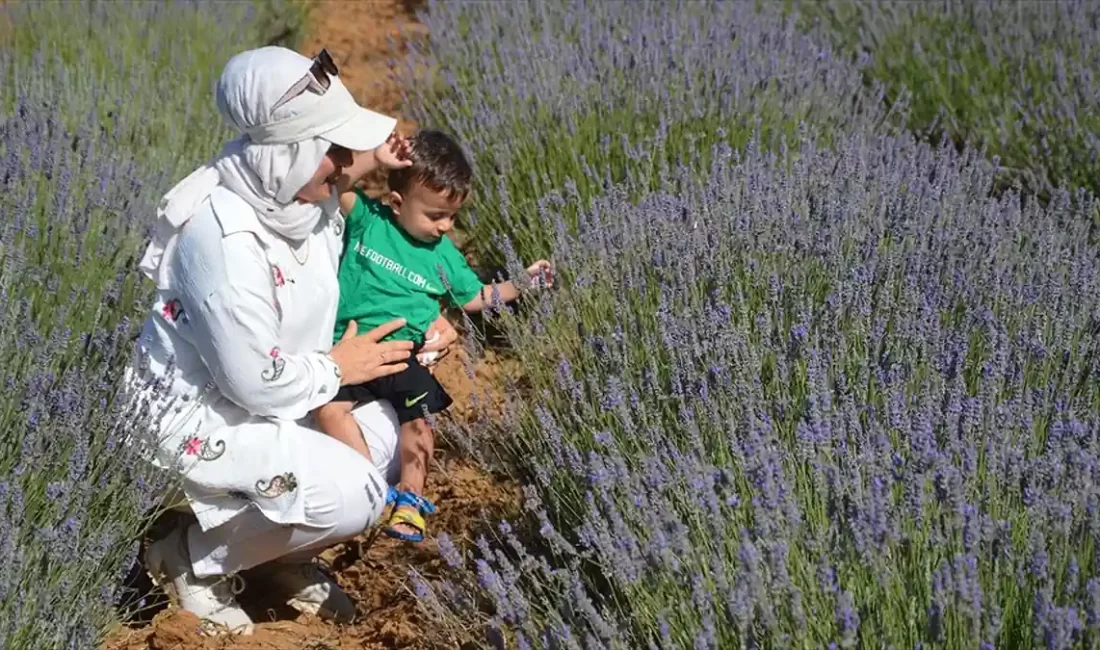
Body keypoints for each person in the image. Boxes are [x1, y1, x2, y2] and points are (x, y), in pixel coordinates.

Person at [122, 46, 457, 636]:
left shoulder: (292, 197)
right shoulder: (223, 239)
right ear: (289, 154)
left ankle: (276, 559)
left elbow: (334, 178)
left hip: (275, 396)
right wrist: (337, 365)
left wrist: (430, 318)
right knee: (355, 490)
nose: (346, 164)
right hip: (197, 422)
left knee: (384, 418)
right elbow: (251, 382)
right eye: (335, 150)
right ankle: (192, 559)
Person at [313, 129, 553, 544]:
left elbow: (477, 296)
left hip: (400, 353)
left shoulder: (443, 255)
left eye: (453, 217)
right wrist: (376, 158)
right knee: (331, 413)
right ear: (396, 202)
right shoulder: (369, 220)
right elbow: (336, 186)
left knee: (420, 421)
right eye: (435, 215)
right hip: (348, 347)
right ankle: (364, 486)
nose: (445, 226)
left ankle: (410, 498)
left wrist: (521, 285)